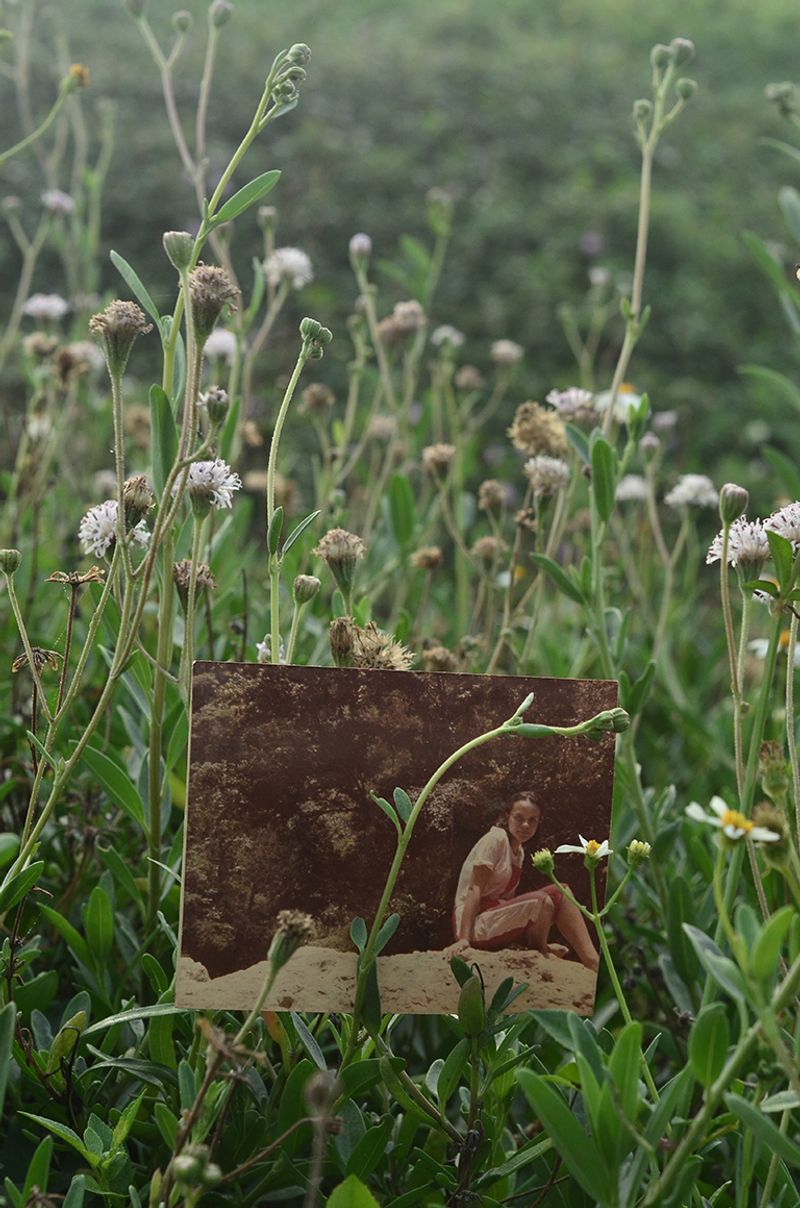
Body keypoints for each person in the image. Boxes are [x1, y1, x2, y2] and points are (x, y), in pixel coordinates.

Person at [449, 792, 599, 971]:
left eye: (532, 820)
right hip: (471, 923)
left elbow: (508, 903)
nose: (525, 825)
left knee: (562, 891)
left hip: (492, 918)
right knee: (543, 901)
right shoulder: (495, 839)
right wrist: (464, 939)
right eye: (519, 818)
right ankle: (541, 949)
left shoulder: (519, 853)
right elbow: (474, 889)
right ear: (507, 817)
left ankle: (592, 960)